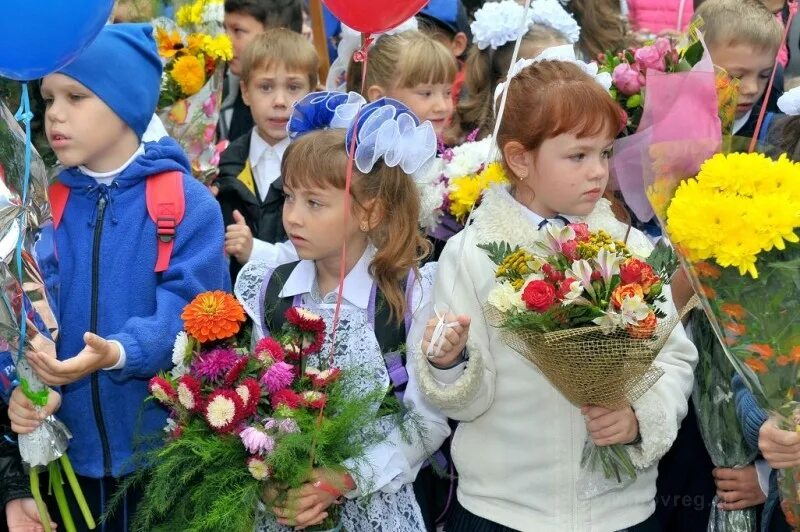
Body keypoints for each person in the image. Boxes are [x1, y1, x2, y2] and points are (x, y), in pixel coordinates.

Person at [413, 54, 698, 531]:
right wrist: (449, 364)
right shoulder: (473, 254)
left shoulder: (629, 246)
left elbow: (672, 357)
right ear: (521, 158)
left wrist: (639, 416)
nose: (597, 172)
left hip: (620, 512)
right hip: (504, 511)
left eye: (605, 153)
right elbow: (468, 402)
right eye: (578, 156)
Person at [7, 23, 227, 531]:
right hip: (68, 459)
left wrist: (119, 351)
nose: (54, 114)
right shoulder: (45, 204)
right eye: (47, 98)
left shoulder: (185, 204)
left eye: (76, 96)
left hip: (162, 459)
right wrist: (27, 385)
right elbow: (27, 315)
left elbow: (194, 312)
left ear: (127, 102)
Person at [234, 92, 450, 531]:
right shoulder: (275, 289)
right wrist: (269, 476)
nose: (293, 217)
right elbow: (257, 399)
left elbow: (427, 420)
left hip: (375, 505)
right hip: (288, 503)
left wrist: (344, 478)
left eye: (314, 203)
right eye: (289, 197)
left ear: (368, 212)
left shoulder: (408, 294)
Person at [216, 29, 318, 282]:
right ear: (245, 92)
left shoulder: (320, 164)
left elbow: (322, 246)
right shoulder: (225, 161)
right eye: (265, 87)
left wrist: (255, 251)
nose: (280, 101)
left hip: (298, 311)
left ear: (313, 93)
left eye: (294, 87)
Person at [457, 0, 578, 138]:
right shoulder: (476, 154)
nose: (563, 84)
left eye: (568, 71)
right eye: (544, 75)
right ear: (503, 84)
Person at [346, 30, 458, 140]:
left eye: (447, 93)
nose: (442, 107)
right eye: (426, 93)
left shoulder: (452, 149)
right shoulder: (364, 156)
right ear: (380, 98)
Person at [220, 0, 304, 141]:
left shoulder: (309, 113)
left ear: (275, 35)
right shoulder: (222, 95)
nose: (226, 41)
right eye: (225, 29)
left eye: (238, 31)